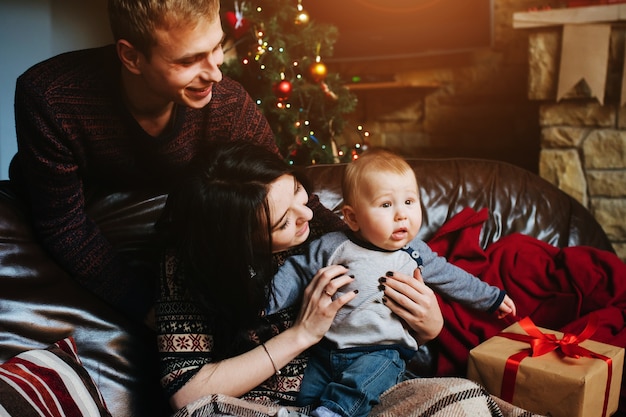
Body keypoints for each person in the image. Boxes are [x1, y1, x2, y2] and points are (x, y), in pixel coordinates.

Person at [9, 0, 281, 323]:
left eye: (217, 46)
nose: (216, 73)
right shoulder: (50, 98)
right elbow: (63, 226)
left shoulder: (228, 105)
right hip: (87, 247)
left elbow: (285, 190)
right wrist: (151, 309)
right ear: (131, 57)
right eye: (189, 60)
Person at [155, 141, 445, 412]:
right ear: (240, 241)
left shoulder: (329, 232)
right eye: (283, 222)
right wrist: (302, 334)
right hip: (267, 406)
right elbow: (186, 392)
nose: (306, 214)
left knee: (467, 402)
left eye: (297, 190)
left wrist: (428, 328)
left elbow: (376, 324)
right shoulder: (188, 267)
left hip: (360, 390)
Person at [265, 148, 517, 417]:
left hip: (382, 352)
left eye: (410, 202)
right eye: (386, 205)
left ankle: (334, 413)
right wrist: (265, 303)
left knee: (361, 386)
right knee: (307, 393)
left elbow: (452, 277)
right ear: (352, 217)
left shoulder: (414, 252)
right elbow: (297, 270)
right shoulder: (333, 246)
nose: (402, 215)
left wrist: (492, 298)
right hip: (327, 349)